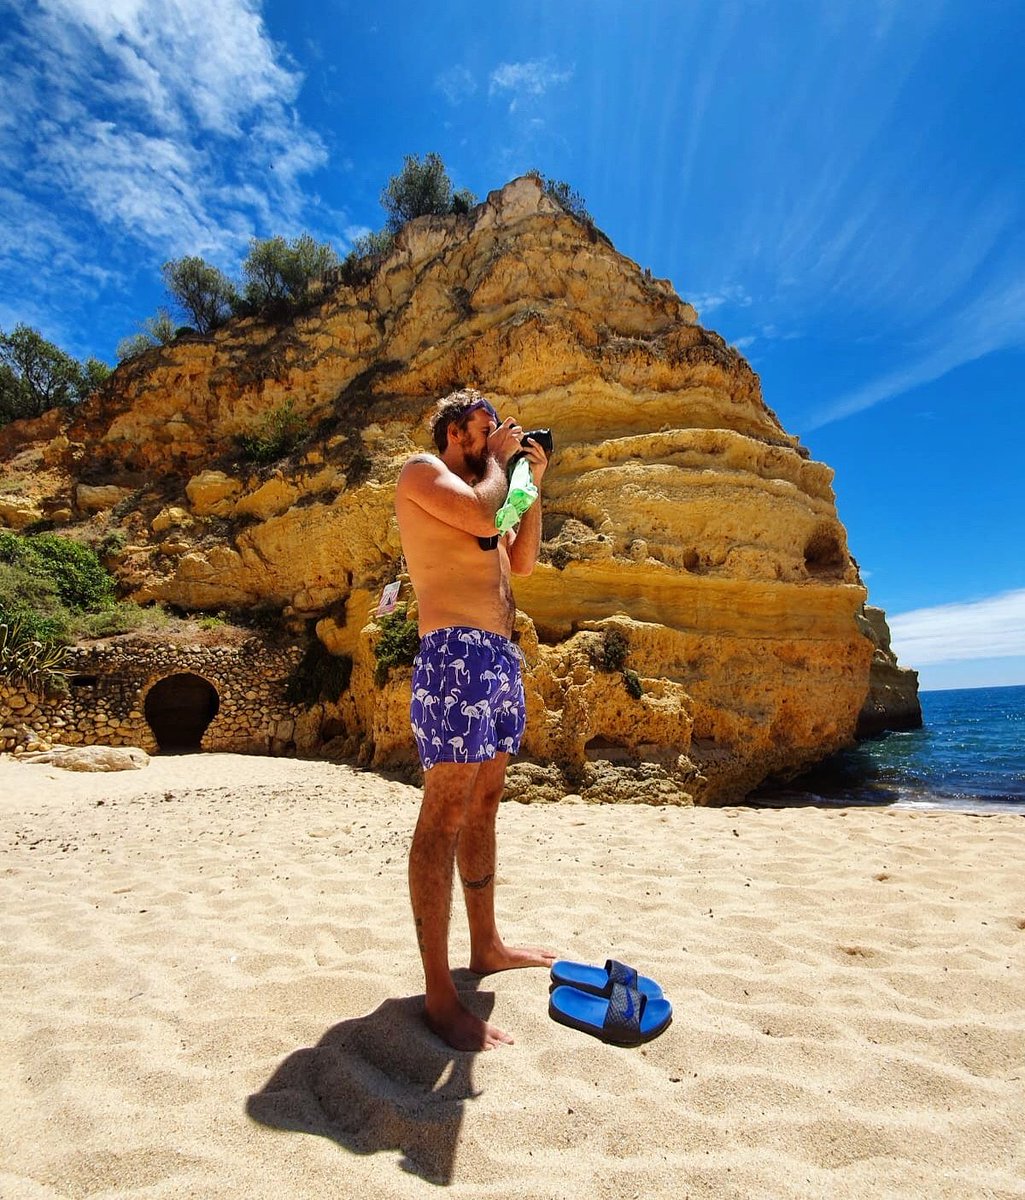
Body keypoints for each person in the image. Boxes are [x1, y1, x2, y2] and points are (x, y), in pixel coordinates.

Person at [394, 387, 554, 1051]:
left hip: (497, 658)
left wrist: (532, 483)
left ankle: (485, 946)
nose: (498, 441)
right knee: (445, 812)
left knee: (484, 805)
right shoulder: (423, 475)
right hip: (453, 655)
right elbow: (484, 508)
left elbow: (519, 557)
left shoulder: (489, 493)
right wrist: (500, 463)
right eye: (486, 430)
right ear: (457, 430)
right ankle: (437, 994)